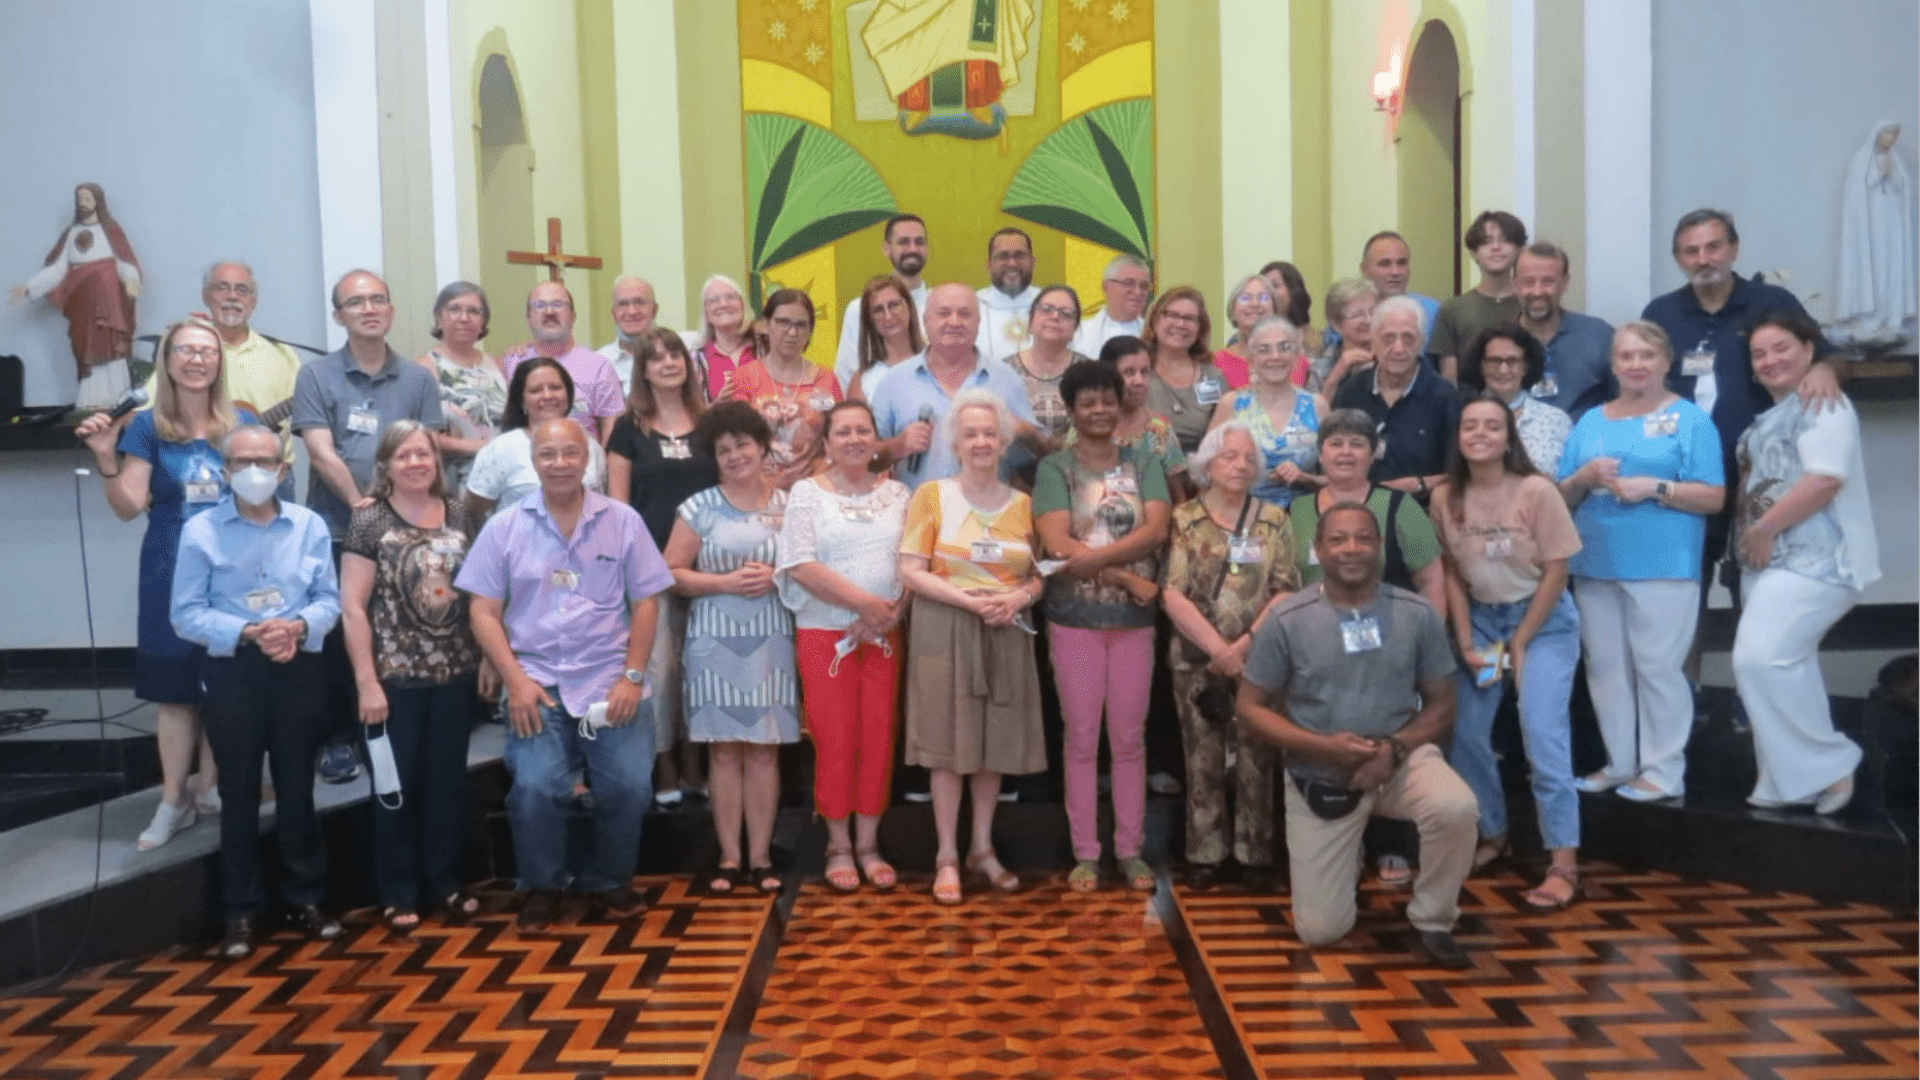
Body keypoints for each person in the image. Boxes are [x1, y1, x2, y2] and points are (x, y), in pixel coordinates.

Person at [1237, 502, 1476, 969]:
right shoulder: (1287, 619)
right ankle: (1344, 862)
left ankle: (1433, 918)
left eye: (1364, 538)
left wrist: (1394, 748)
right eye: (1339, 539)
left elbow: (1444, 703)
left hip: (1401, 758)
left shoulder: (1416, 614)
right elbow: (1248, 709)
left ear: (1381, 548)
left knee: (1456, 806)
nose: (1352, 549)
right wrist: (1322, 747)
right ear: (1317, 549)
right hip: (1320, 770)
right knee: (1321, 931)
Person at [456, 418, 673, 932]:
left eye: (570, 453)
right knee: (535, 786)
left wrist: (632, 676)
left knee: (628, 788)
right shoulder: (504, 527)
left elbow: (645, 604)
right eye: (548, 454)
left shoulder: (623, 522)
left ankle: (607, 880)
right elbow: (482, 611)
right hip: (537, 682)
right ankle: (542, 884)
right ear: (534, 462)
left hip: (608, 680)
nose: (559, 463)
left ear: (588, 460)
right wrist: (515, 681)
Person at [76, 317, 258, 850]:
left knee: (225, 685)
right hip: (170, 569)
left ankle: (214, 788)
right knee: (175, 693)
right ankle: (172, 800)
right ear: (169, 360)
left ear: (219, 361)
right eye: (185, 349)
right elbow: (129, 508)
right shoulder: (147, 426)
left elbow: (262, 493)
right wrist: (107, 457)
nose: (197, 359)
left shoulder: (242, 420)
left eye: (207, 350)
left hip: (232, 571)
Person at [171, 424, 343, 959]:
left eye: (264, 462)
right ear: (224, 472)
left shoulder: (310, 525)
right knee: (238, 793)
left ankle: (306, 897)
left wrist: (295, 628)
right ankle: (240, 911)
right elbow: (185, 614)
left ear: (283, 469)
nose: (253, 472)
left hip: (297, 667)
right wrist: (247, 632)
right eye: (241, 462)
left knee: (297, 788)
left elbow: (329, 601)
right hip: (234, 670)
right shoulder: (200, 532)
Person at [1641, 209, 1841, 618]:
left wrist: (1822, 368)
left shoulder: (1771, 302)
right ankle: (1688, 685)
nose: (1703, 259)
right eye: (1691, 251)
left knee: (1756, 597)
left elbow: (1824, 355)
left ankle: (1755, 680)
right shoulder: (1660, 313)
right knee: (1682, 601)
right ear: (1678, 259)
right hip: (1687, 480)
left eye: (1713, 246)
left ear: (1733, 249)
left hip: (1760, 479)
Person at [1558, 321, 1725, 803]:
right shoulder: (1590, 421)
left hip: (1662, 564)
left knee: (1657, 667)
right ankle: (1621, 762)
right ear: (1613, 365)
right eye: (1626, 357)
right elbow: (1560, 495)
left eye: (1646, 356)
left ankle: (1664, 770)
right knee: (1605, 667)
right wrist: (1584, 477)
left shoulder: (1691, 419)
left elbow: (1714, 496)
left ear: (1666, 362)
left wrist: (1656, 487)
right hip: (1594, 562)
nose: (1636, 365)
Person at [1432, 393, 1585, 909]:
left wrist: (1520, 641)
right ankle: (1493, 835)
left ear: (1508, 436)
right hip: (1479, 619)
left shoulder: (1537, 490)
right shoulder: (1445, 496)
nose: (1479, 433)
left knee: (1543, 738)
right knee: (1468, 735)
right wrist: (1467, 640)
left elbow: (1558, 570)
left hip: (1540, 622)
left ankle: (1563, 863)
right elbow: (1451, 571)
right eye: (1469, 424)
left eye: (1491, 426)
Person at [292, 269, 444, 785]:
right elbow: (319, 448)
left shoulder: (419, 380)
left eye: (378, 298)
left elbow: (429, 450)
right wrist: (362, 504)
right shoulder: (316, 377)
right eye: (355, 302)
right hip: (341, 526)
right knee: (340, 634)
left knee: (400, 630)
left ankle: (396, 727)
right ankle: (337, 739)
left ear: (392, 311)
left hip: (412, 533)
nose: (369, 308)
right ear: (339, 315)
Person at [898, 389, 1047, 902]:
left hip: (1005, 627)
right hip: (945, 627)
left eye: (990, 432)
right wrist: (967, 600)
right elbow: (910, 570)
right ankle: (945, 853)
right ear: (955, 442)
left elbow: (1039, 576)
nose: (981, 441)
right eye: (971, 433)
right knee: (947, 746)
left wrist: (1019, 597)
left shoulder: (1025, 504)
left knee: (993, 744)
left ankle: (982, 848)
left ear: (1003, 441)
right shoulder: (932, 496)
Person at [339, 421, 486, 930]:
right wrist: (366, 681)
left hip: (456, 674)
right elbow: (353, 608)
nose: (416, 463)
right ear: (385, 465)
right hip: (393, 680)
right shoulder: (369, 520)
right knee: (394, 787)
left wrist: (488, 657)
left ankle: (444, 883)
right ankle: (398, 892)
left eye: (423, 454)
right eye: (403, 456)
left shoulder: (463, 514)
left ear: (436, 460)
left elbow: (483, 596)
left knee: (447, 787)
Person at [1732, 312, 1880, 815]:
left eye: (1782, 348)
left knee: (1758, 659)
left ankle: (1831, 763)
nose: (1771, 360)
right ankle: (1786, 781)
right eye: (1759, 353)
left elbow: (1825, 479)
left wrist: (1764, 528)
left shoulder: (1823, 403)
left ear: (1809, 351)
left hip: (1817, 560)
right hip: (1770, 563)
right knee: (1791, 665)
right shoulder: (1774, 412)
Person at [1034, 364, 1171, 892]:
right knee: (1083, 738)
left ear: (1121, 405)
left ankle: (1131, 849)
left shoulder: (1146, 463)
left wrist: (1100, 561)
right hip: (1075, 622)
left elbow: (1157, 529)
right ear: (1072, 410)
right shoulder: (1055, 469)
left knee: (1130, 738)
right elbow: (1056, 545)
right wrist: (1122, 575)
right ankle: (1086, 852)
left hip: (1134, 625)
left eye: (1107, 401)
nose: (1098, 410)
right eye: (1087, 402)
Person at [776, 401, 912, 890]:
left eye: (864, 430)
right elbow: (799, 564)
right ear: (827, 443)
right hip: (824, 633)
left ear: (876, 438)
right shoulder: (807, 494)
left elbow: (912, 560)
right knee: (836, 739)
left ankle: (870, 843)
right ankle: (837, 844)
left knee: (879, 736)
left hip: (883, 635)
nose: (854, 438)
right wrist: (864, 605)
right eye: (843, 432)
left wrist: (890, 610)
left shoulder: (898, 493)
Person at [665, 403, 798, 896]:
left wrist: (777, 576)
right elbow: (670, 573)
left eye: (743, 444)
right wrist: (723, 581)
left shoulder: (790, 505)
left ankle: (761, 858)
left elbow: (809, 570)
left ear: (762, 446)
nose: (735, 454)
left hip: (772, 638)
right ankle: (727, 856)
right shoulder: (698, 507)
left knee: (764, 753)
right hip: (713, 640)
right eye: (723, 449)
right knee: (722, 754)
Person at [1161, 422, 1299, 891]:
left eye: (1248, 458)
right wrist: (1218, 650)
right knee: (1202, 757)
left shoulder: (1274, 520)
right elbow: (1171, 594)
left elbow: (1285, 590)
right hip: (1196, 659)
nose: (1240, 464)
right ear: (1207, 464)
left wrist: (1243, 648)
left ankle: (1256, 853)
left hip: (1260, 661)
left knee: (1258, 755)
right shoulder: (1185, 519)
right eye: (1228, 456)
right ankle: (1204, 852)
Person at [607, 328, 716, 807]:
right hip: (648, 569)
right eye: (657, 357)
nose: (669, 363)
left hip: (708, 568)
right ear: (643, 369)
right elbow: (617, 506)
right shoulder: (629, 427)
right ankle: (666, 765)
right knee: (660, 671)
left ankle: (698, 763)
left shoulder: (709, 422)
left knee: (702, 669)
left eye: (676, 354)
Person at [869, 282, 1039, 491]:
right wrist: (899, 445)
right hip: (917, 517)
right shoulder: (893, 381)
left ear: (978, 323)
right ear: (925, 321)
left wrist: (1026, 432)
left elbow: (1036, 460)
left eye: (965, 314)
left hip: (988, 516)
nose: (954, 321)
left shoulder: (1007, 379)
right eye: (943, 313)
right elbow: (866, 459)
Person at [9, 182, 141, 409]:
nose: (82, 203)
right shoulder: (71, 234)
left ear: (98, 201)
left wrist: (131, 280)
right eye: (79, 198)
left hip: (109, 300)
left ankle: (119, 399)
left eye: (88, 199)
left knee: (113, 348)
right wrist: (30, 288)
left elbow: (123, 263)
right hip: (84, 303)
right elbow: (58, 269)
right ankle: (90, 400)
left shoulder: (110, 230)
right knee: (86, 348)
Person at [141, 262, 305, 433]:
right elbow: (142, 412)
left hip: (273, 459)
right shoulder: (187, 353)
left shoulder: (281, 354)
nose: (232, 296)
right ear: (206, 296)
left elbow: (307, 415)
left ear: (253, 301)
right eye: (222, 288)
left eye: (242, 290)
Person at [1333, 296, 1459, 498]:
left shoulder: (1444, 398)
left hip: (1419, 510)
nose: (1399, 349)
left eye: (1408, 338)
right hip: (1360, 508)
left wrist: (1418, 484)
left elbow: (1460, 475)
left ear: (1421, 343)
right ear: (1374, 342)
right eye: (1388, 338)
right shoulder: (1351, 391)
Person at [465, 357, 608, 519]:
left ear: (568, 395)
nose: (547, 396)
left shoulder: (590, 446)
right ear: (521, 401)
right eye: (536, 390)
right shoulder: (500, 449)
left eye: (555, 388)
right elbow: (473, 510)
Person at [726, 288, 841, 489]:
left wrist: (826, 467)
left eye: (800, 325)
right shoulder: (744, 377)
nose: (792, 332)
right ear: (766, 325)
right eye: (783, 322)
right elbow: (731, 438)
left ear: (809, 331)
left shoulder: (826, 379)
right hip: (756, 490)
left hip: (814, 490)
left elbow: (840, 433)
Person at [1208, 315, 1321, 507]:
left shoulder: (1317, 405)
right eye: (1264, 350)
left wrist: (1305, 478)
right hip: (1244, 511)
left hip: (1305, 513)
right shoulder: (1232, 404)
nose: (1275, 356)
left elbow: (1336, 479)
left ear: (1296, 355)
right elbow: (1207, 470)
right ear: (1251, 359)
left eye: (1284, 347)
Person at [499, 281, 625, 444]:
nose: (549, 312)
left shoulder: (599, 366)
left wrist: (601, 465)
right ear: (528, 317)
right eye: (539, 305)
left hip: (582, 464)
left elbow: (611, 426)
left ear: (573, 316)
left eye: (558, 304)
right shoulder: (512, 363)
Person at [415, 281, 505, 494]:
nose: (464, 318)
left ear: (483, 322)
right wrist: (480, 446)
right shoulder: (424, 369)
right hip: (457, 478)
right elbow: (421, 436)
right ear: (438, 317)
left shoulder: (499, 365)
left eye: (474, 311)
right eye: (454, 309)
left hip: (504, 470)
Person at [1514, 243, 1614, 418]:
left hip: (1586, 442)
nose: (1537, 291)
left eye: (1548, 281)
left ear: (1564, 284)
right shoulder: (1498, 342)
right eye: (1528, 282)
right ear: (1514, 285)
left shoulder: (1599, 336)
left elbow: (1626, 403)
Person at [1458, 324, 1572, 474]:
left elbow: (1569, 481)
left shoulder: (1555, 420)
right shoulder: (1461, 416)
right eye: (1494, 361)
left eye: (1513, 361)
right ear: (1481, 366)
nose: (1503, 370)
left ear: (1526, 366)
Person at [835, 215, 930, 393]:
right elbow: (846, 376)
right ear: (886, 249)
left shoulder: (939, 306)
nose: (912, 249)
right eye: (903, 242)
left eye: (919, 242)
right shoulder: (859, 308)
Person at [1837, 121, 1914, 337]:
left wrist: (1893, 176)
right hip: (1871, 225)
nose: (1890, 139)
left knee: (1892, 267)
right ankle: (1872, 315)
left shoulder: (1895, 161)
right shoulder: (1862, 159)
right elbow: (1858, 191)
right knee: (1874, 267)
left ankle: (1892, 314)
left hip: (1891, 223)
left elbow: (1902, 188)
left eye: (1894, 135)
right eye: (1887, 134)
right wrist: (1879, 174)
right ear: (1878, 135)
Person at [1431, 210, 1527, 382]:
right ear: (1474, 253)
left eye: (1504, 240)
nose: (1496, 247)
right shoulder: (1452, 309)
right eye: (1486, 242)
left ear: (1520, 249)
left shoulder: (1530, 304)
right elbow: (1449, 378)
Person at [1082, 336, 1189, 489]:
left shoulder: (1159, 427)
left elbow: (1180, 494)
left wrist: (1192, 514)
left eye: (1145, 372)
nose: (1139, 381)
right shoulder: (1087, 425)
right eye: (1129, 372)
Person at [1142, 287, 1227, 455]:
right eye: (1172, 315)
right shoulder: (1137, 371)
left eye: (1189, 319)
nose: (1180, 324)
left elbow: (1223, 438)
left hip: (1200, 469)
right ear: (1154, 320)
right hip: (1148, 466)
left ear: (1200, 328)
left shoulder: (1213, 377)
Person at [1006, 284, 1091, 448]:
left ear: (1074, 330)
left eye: (1066, 313)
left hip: (1074, 464)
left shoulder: (1090, 372)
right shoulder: (1004, 371)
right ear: (1030, 321)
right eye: (1046, 309)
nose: (1055, 316)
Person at [845, 275, 926, 404]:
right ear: (870, 320)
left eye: (894, 305)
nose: (888, 316)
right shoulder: (863, 380)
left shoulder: (936, 362)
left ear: (909, 307)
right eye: (878, 310)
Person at [1308, 278, 1380, 399]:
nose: (1368, 320)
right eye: (1358, 315)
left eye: (1373, 312)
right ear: (1336, 324)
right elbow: (1311, 415)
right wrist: (1338, 372)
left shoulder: (1393, 354)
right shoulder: (1319, 366)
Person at [976, 227, 1041, 362]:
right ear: (989, 264)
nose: (1012, 263)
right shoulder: (972, 306)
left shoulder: (1049, 305)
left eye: (1020, 255)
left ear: (1032, 262)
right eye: (1003, 256)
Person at [1073, 255, 1153, 357]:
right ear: (1106, 287)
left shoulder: (1154, 336)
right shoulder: (1078, 335)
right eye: (1129, 283)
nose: (1138, 292)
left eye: (1144, 286)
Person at [694, 274, 757, 401]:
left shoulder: (763, 349)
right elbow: (690, 413)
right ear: (706, 312)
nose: (723, 304)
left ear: (742, 305)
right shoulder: (696, 361)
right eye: (713, 300)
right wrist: (716, 406)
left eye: (730, 297)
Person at [596, 276, 665, 390]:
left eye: (640, 302)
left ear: (655, 310)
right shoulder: (599, 363)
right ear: (613, 313)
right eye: (623, 304)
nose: (632, 311)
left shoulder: (674, 357)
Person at [1259, 260, 1323, 358]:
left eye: (1274, 285)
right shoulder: (1245, 340)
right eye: (1264, 288)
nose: (1268, 292)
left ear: (1293, 290)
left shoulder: (1319, 340)